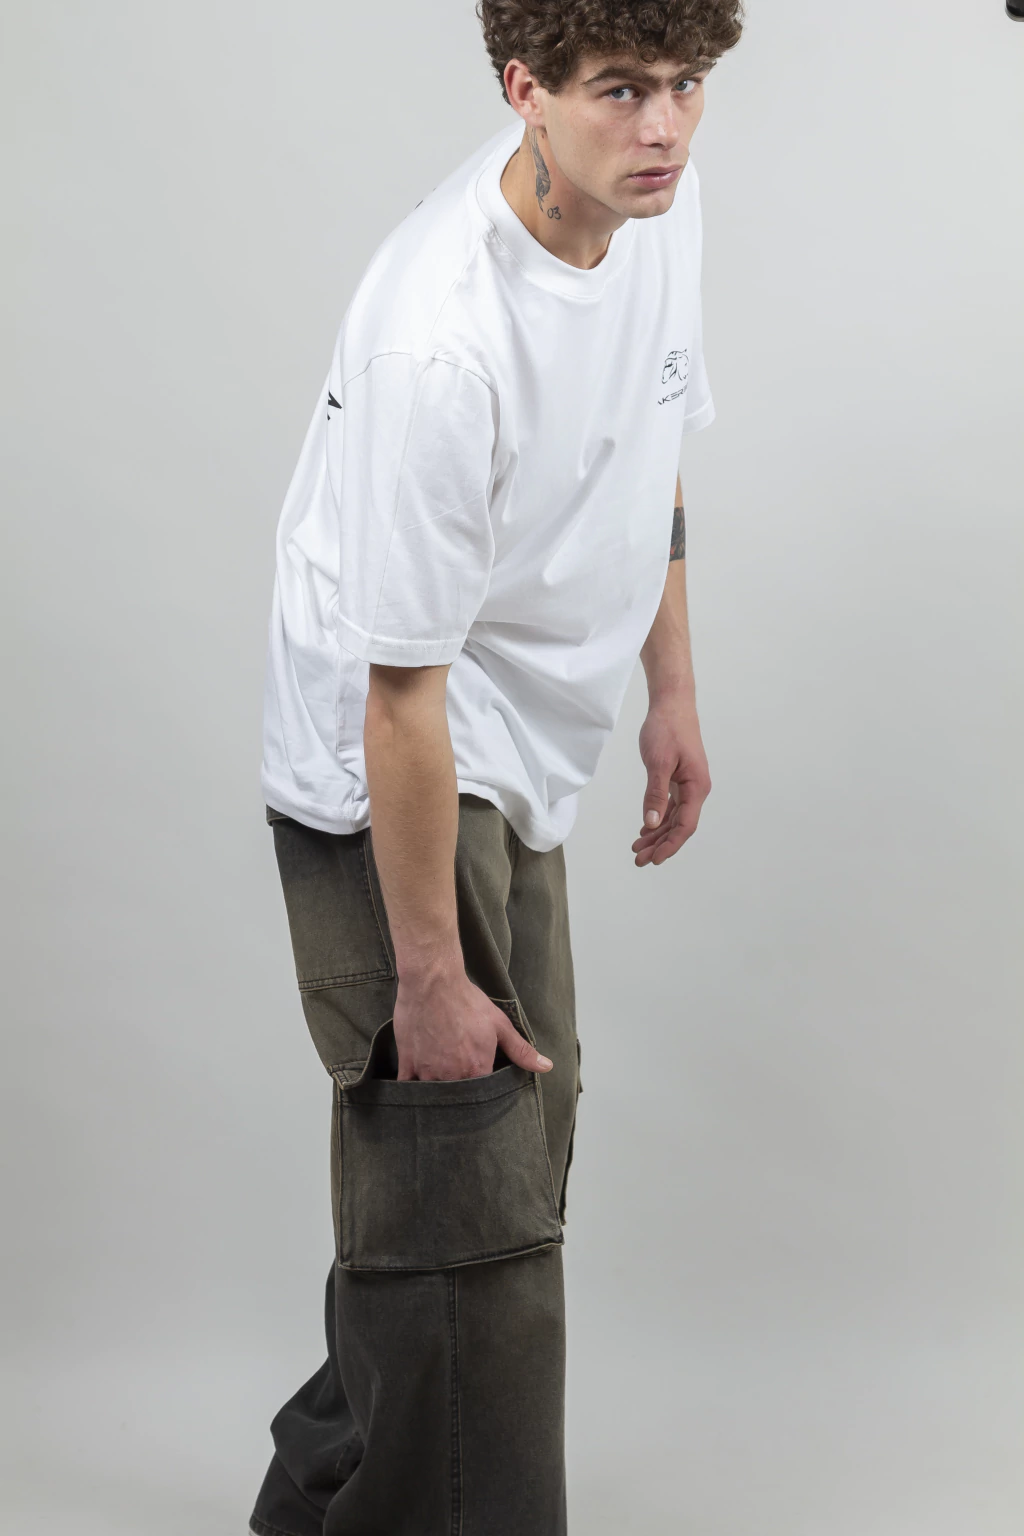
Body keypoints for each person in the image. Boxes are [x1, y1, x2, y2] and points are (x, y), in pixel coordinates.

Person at [251, 3, 742, 1532]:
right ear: (526, 88)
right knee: (464, 1172)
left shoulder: (654, 207)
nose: (663, 128)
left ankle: (313, 1494)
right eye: (621, 90)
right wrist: (422, 977)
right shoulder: (438, 337)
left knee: (512, 1143)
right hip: (393, 754)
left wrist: (670, 688)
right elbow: (398, 697)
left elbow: (652, 444)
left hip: (525, 735)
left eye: (685, 85)